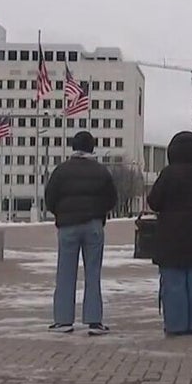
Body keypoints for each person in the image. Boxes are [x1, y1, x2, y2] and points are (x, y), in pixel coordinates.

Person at [44, 130, 117, 336]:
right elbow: (111, 198)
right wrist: (99, 212)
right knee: (93, 273)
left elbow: (50, 198)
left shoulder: (61, 171)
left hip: (68, 225)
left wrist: (61, 212)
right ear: (92, 148)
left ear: (73, 147)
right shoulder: (101, 171)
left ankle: (63, 320)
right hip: (93, 225)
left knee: (65, 273)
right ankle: (94, 320)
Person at [146, 131, 192, 336]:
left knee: (173, 281)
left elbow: (154, 201)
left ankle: (176, 325)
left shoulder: (168, 174)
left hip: (170, 236)